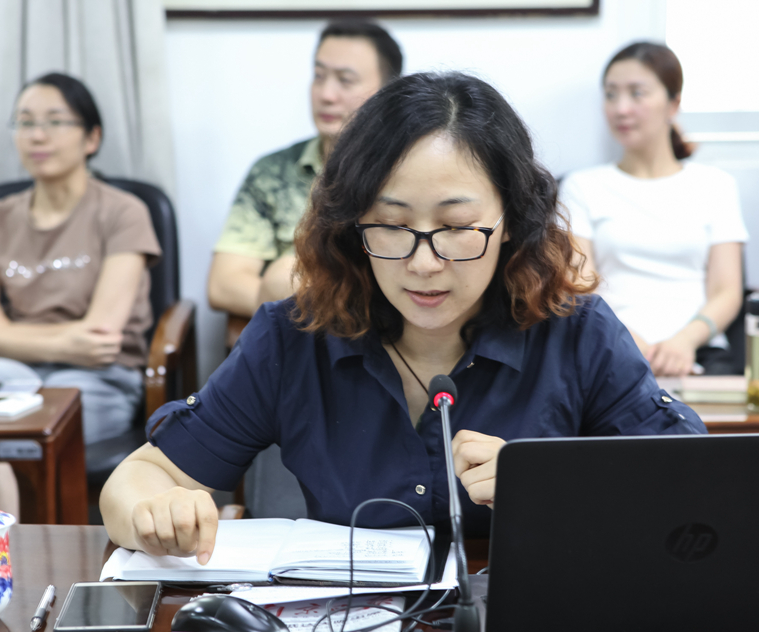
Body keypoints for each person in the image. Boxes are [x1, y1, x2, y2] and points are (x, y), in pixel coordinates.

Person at [100, 71, 706, 564]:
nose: (423, 263)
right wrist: (154, 512)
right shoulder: (294, 336)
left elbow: (694, 488)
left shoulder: (575, 331)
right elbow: (139, 477)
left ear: (512, 221)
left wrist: (558, 486)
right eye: (391, 225)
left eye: (456, 226)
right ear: (353, 224)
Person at [0, 73, 162, 517]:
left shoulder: (124, 212)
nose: (37, 135)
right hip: (6, 371)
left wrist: (0, 330)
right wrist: (66, 341)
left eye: (54, 121)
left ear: (92, 138)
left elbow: (100, 339)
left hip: (99, 379)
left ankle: (10, 531)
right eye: (25, 122)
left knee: (22, 424)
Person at [559, 42, 748, 377]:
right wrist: (632, 345)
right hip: (609, 350)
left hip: (699, 355)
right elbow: (579, 285)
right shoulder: (581, 186)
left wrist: (683, 342)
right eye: (611, 95)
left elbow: (727, 292)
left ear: (673, 104)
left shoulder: (715, 186)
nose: (621, 109)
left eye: (637, 93)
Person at [206, 20, 403, 320]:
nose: (326, 94)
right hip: (300, 331)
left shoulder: (409, 171)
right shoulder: (272, 172)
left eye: (345, 80)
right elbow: (224, 284)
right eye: (319, 76)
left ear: (387, 94)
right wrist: (315, 306)